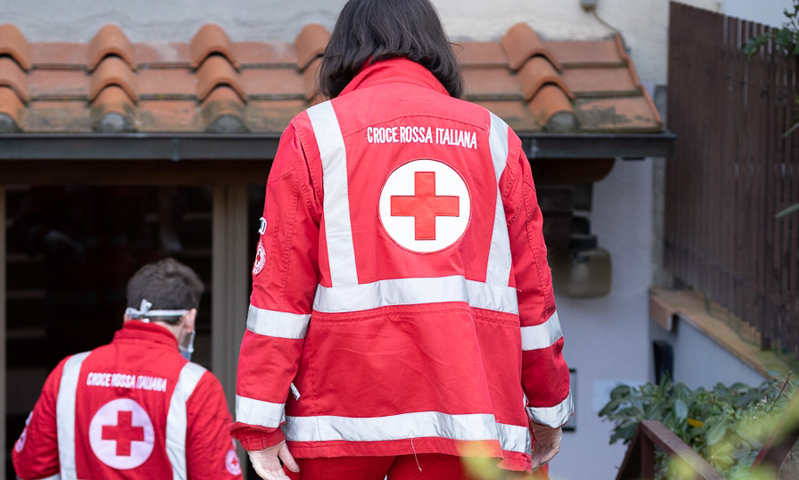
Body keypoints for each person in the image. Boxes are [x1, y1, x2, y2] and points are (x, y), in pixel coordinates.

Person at [231, 0, 573, 478]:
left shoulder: (316, 134)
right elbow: (533, 292)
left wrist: (259, 423)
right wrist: (548, 405)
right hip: (471, 414)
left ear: (345, 49)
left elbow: (279, 293)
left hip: (340, 419)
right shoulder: (495, 139)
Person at [14, 259, 244, 480]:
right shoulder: (197, 386)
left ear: (127, 315)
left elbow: (30, 467)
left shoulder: (69, 373)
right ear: (189, 319)